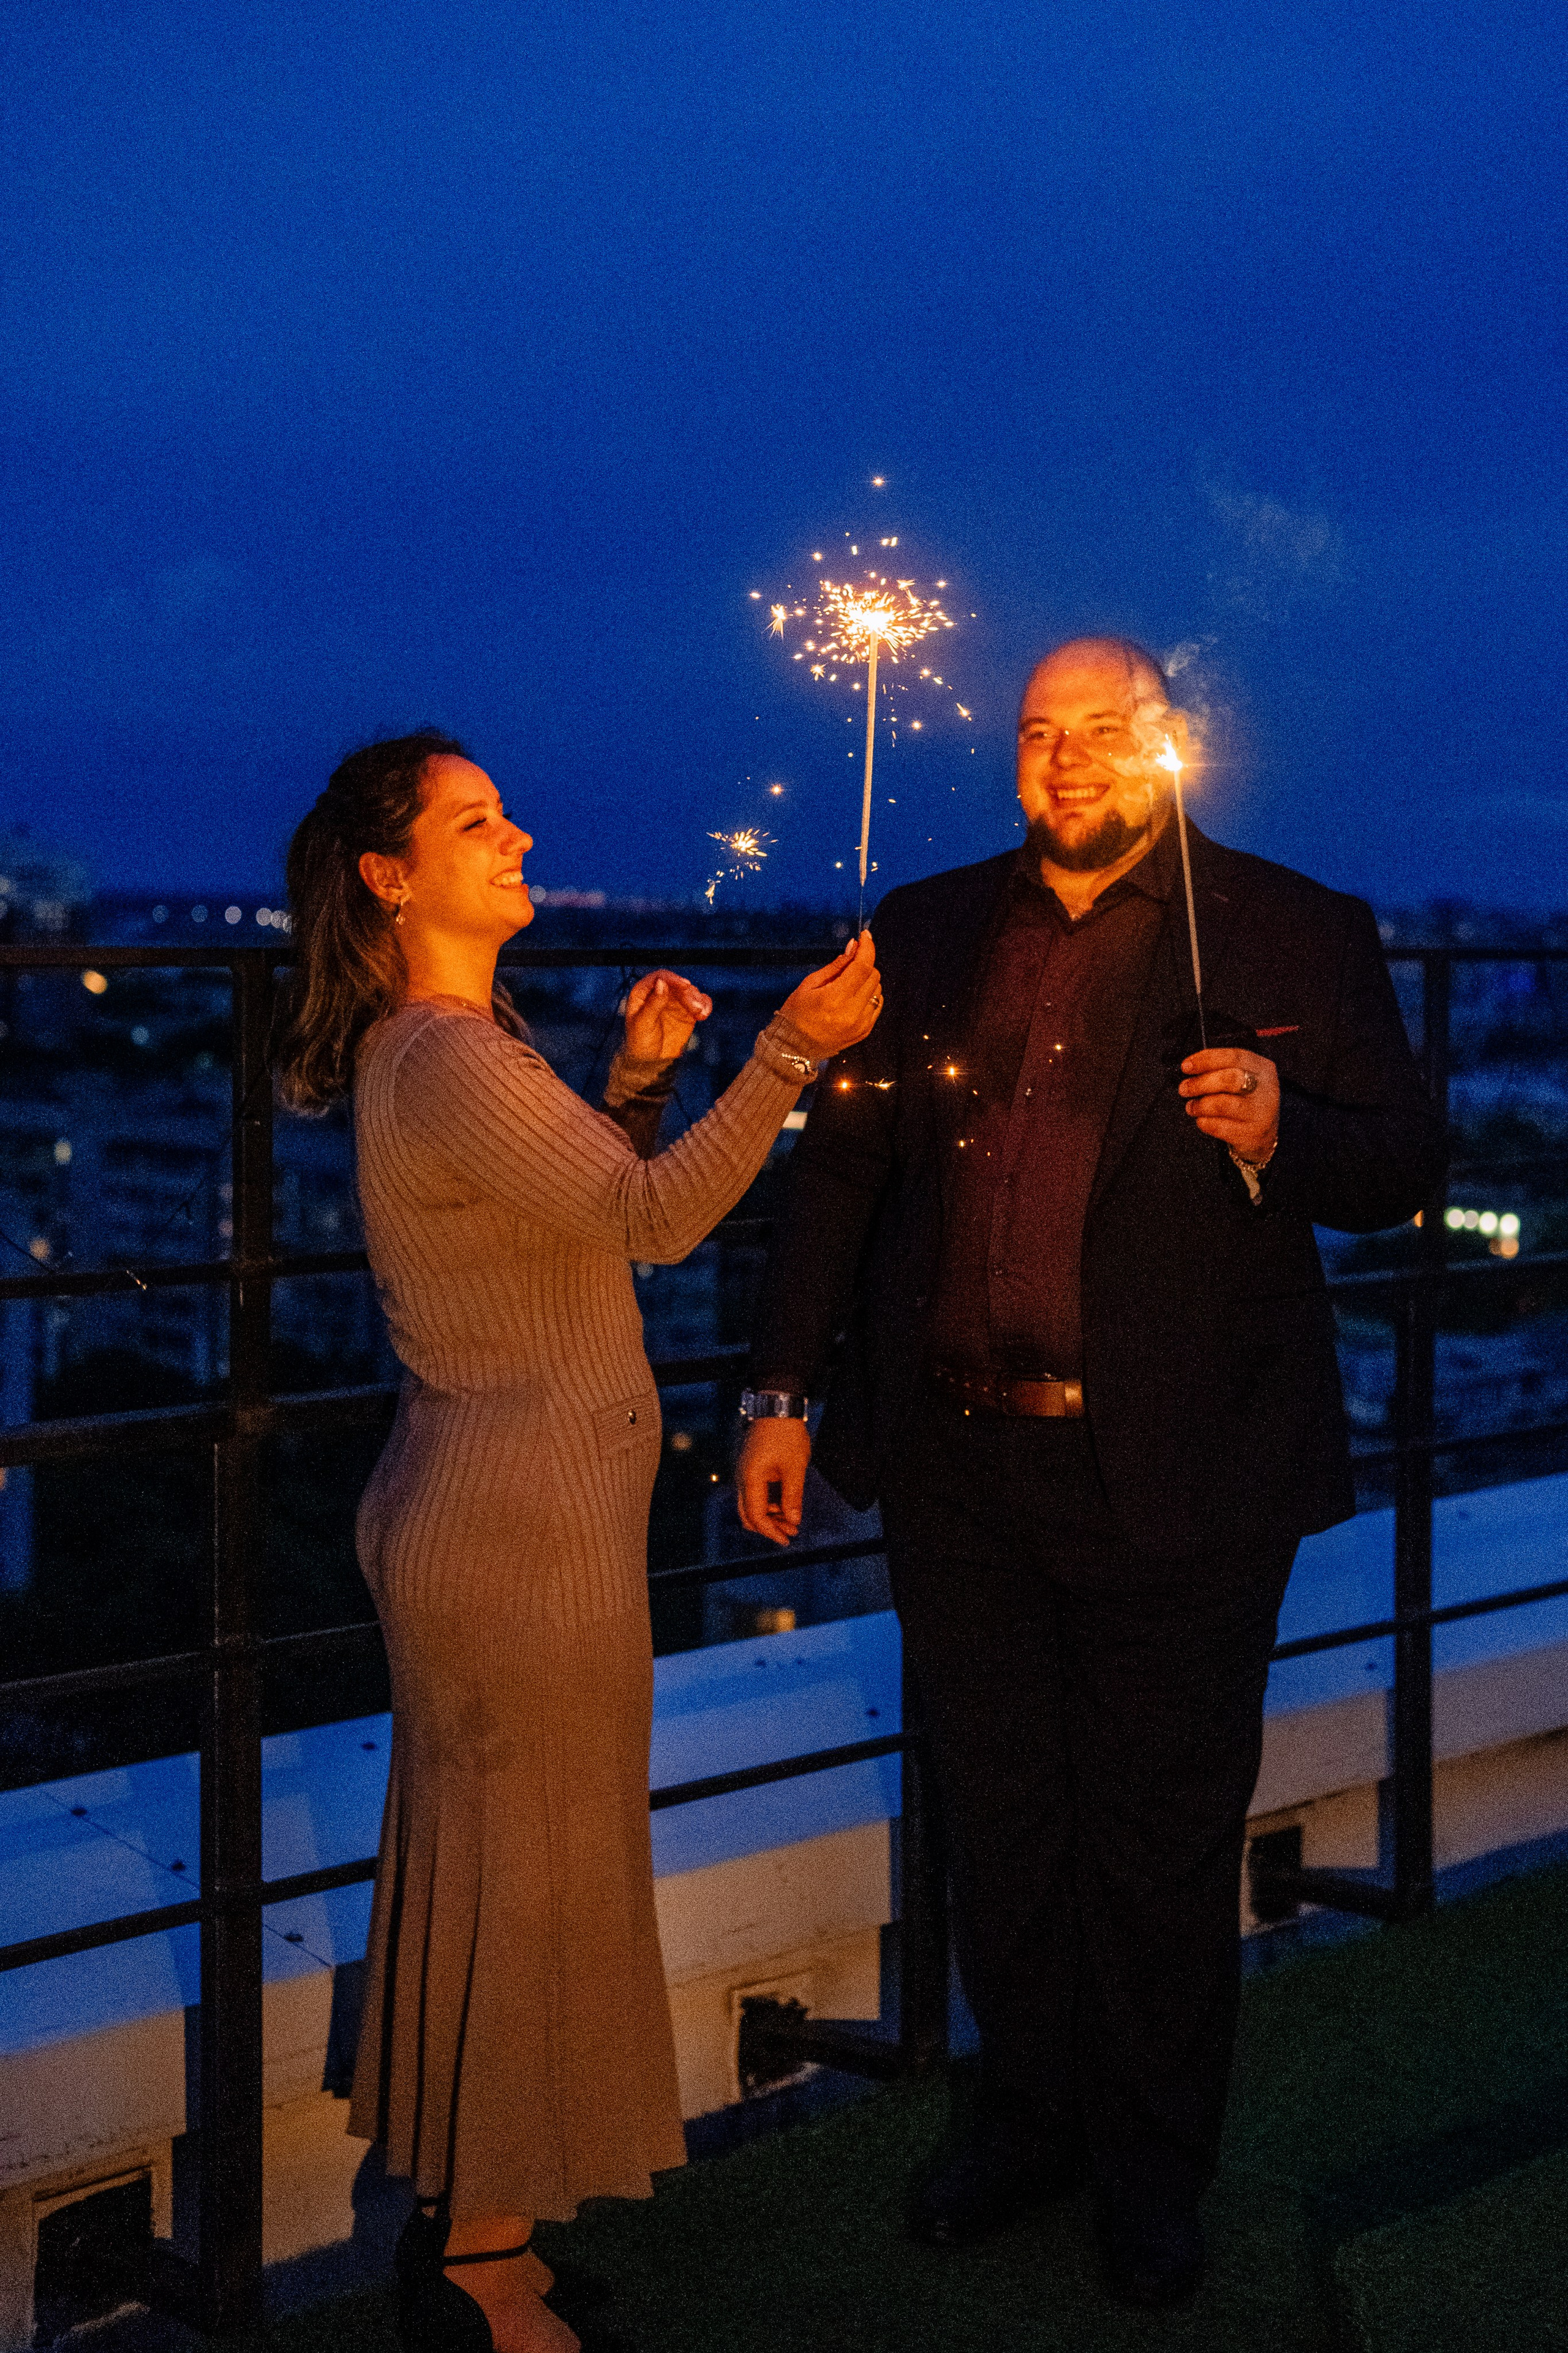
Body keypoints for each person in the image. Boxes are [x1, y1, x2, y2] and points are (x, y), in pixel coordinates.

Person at [736, 639, 1444, 2310]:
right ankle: (1027, 2126)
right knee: (1003, 1820)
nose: (1061, 760)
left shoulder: (1289, 927)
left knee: (1160, 1836)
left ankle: (1150, 2170)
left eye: (1098, 733)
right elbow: (841, 1174)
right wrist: (779, 1388)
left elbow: (1404, 1162)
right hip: (960, 1463)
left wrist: (1283, 1123)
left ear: (1165, 744)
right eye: (1037, 732)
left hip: (1187, 1473)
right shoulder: (926, 927)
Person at [274, 731, 881, 2353]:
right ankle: (472, 2270)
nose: (520, 831)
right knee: (528, 1894)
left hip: (508, 1514)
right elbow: (653, 1221)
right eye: (478, 822)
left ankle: (475, 2234)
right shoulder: (450, 1055)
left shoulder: (467, 1044)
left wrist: (634, 1087)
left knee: (508, 1883)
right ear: (393, 877)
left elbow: (575, 1208)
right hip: (516, 1533)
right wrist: (790, 1055)